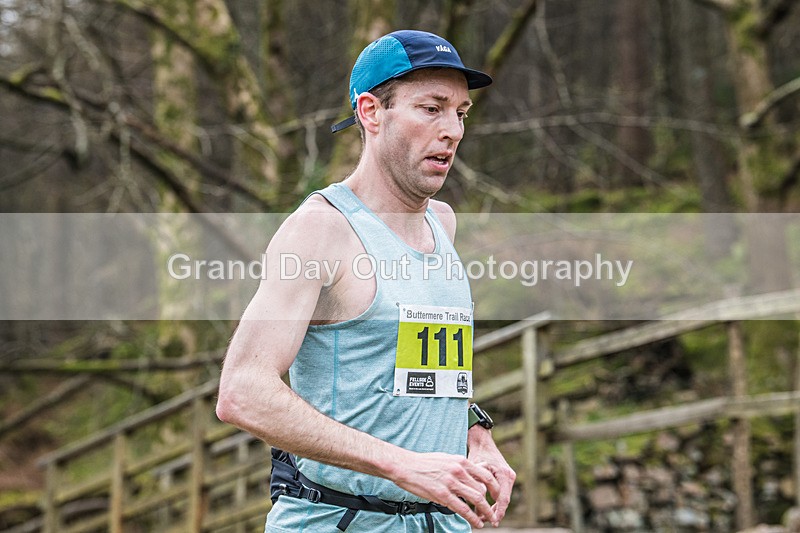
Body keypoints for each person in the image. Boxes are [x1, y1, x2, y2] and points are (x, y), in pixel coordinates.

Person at [216, 29, 516, 532]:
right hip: (339, 520)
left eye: (460, 112)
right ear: (371, 112)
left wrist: (473, 430)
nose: (453, 131)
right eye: (431, 108)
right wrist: (399, 462)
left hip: (443, 522)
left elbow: (416, 365)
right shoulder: (319, 231)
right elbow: (242, 392)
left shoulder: (442, 222)